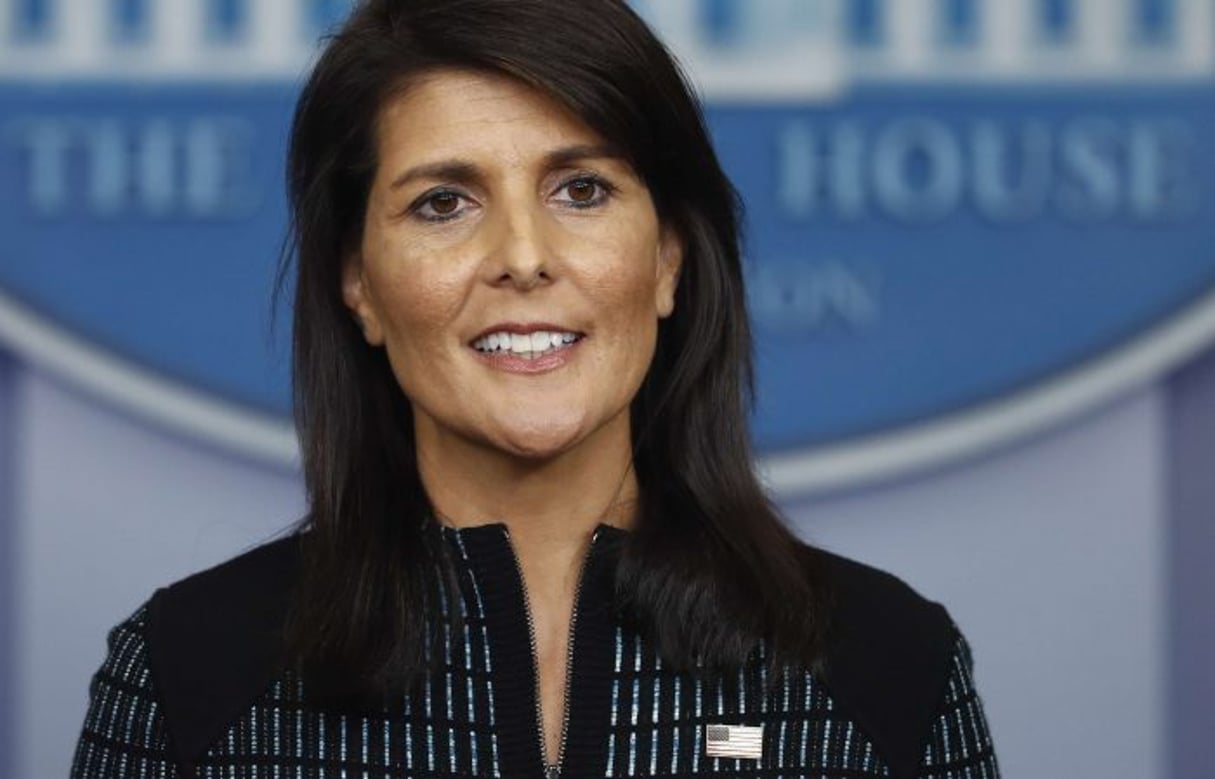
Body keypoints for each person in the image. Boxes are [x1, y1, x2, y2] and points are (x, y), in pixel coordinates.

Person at [71, 1, 999, 777]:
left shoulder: (886, 666)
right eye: (444, 202)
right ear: (358, 283)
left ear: (669, 256)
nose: (522, 257)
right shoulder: (190, 671)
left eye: (582, 190)